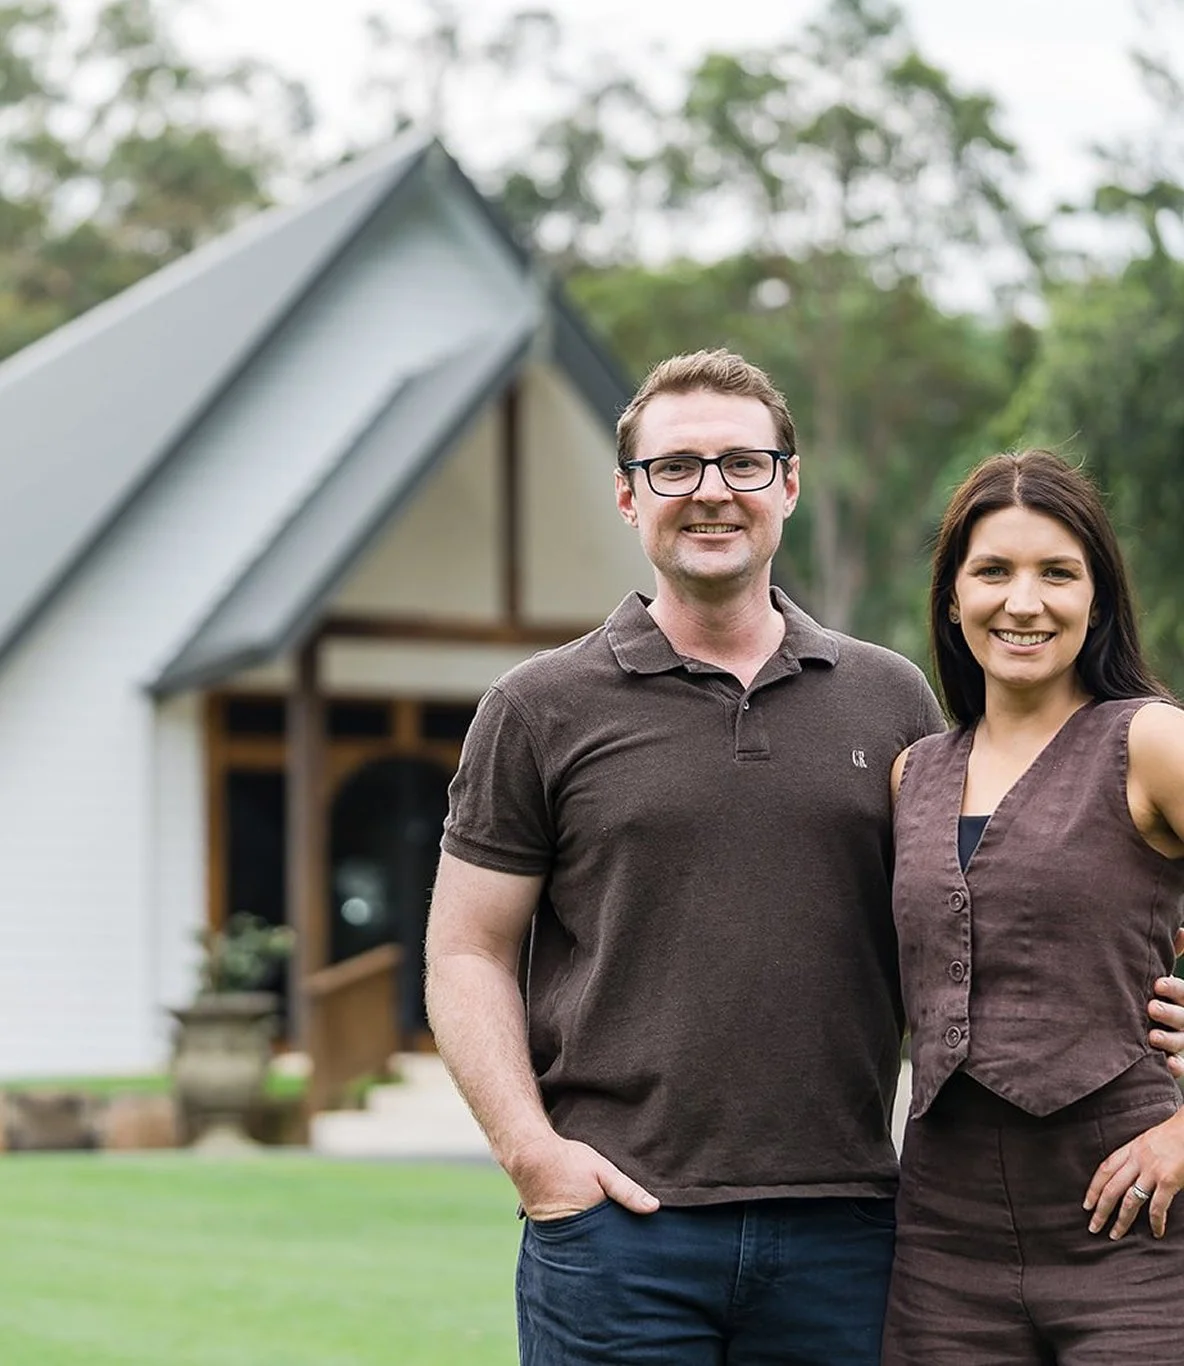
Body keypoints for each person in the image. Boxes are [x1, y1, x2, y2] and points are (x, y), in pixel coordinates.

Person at [425, 358, 1184, 1365]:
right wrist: (534, 1158)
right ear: (625, 494)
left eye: (742, 463)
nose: (710, 490)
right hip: (618, 1226)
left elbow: (1025, 895)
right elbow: (465, 951)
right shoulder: (536, 708)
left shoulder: (891, 704)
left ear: (787, 484)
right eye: (675, 467)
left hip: (850, 1233)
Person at [884, 449, 1184, 1364]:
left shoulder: (1152, 740)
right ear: (951, 597)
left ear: (1097, 598)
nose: (1024, 602)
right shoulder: (912, 774)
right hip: (942, 1231)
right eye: (993, 572)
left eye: (1058, 573)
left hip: (1131, 1213)